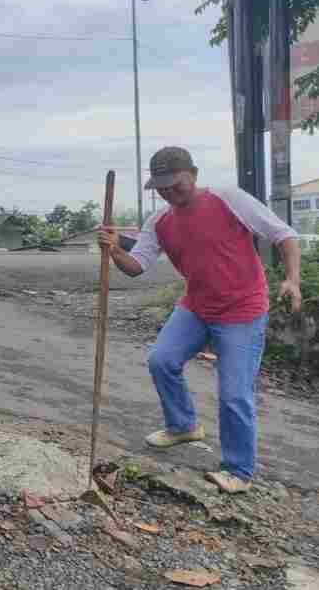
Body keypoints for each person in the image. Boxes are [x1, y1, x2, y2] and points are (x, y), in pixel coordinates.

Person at [98, 146, 301, 494]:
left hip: (243, 310)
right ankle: (183, 425)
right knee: (162, 360)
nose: (169, 192)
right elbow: (137, 267)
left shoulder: (228, 199)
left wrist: (292, 280)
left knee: (234, 393)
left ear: (192, 175)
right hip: (196, 307)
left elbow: (285, 236)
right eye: (161, 187)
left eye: (175, 184)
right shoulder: (158, 222)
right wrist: (115, 249)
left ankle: (238, 471)